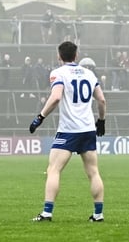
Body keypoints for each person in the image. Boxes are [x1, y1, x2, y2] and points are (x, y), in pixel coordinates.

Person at [29, 41, 107, 223]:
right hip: (88, 129)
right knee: (93, 172)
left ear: (59, 56)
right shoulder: (89, 74)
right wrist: (101, 121)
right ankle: (98, 214)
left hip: (69, 131)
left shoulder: (58, 73)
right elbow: (102, 100)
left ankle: (47, 213)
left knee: (54, 169)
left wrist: (40, 117)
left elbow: (56, 97)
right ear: (76, 55)